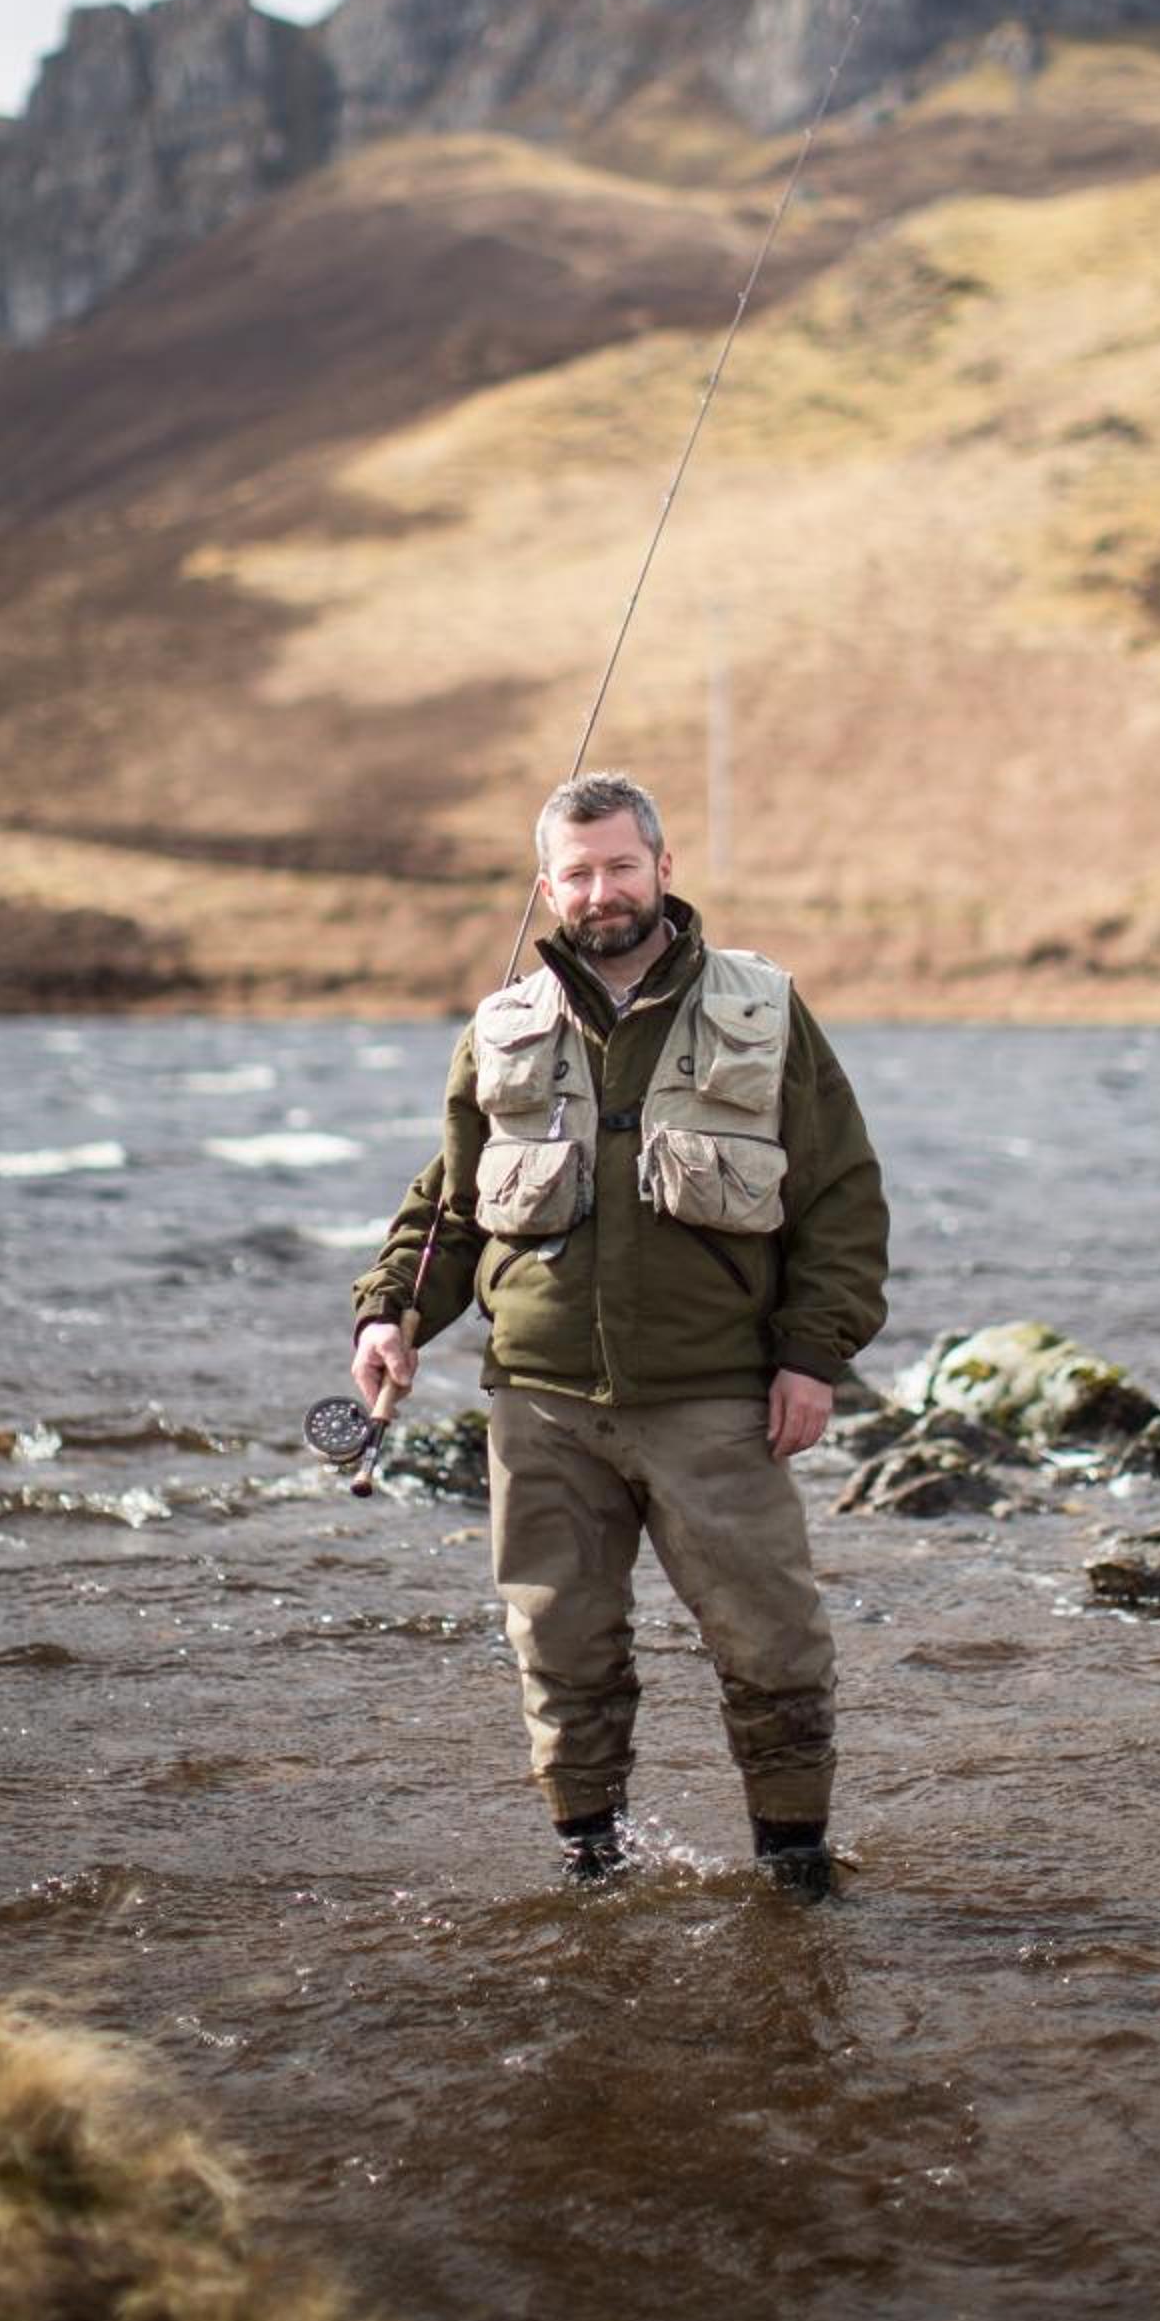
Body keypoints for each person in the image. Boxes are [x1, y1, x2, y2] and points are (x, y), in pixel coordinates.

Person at [349, 770, 888, 1896]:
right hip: (539, 1405)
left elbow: (840, 1195)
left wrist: (811, 1358)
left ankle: (795, 1866)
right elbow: (449, 1203)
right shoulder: (502, 1026)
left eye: (622, 866)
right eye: (579, 873)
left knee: (775, 1646)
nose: (603, 891)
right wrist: (392, 1314)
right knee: (561, 1651)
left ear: (664, 869)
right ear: (548, 888)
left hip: (716, 1398)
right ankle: (592, 1864)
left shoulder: (764, 1006)